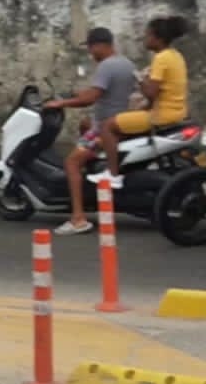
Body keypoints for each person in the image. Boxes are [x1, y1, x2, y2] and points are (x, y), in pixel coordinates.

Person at [44, 27, 137, 235]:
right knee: (84, 125)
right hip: (122, 121)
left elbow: (91, 98)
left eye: (91, 48)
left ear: (98, 45)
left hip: (105, 128)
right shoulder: (126, 63)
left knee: (71, 162)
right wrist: (77, 93)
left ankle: (78, 218)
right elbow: (102, 92)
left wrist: (62, 103)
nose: (90, 53)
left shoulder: (106, 66)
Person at [89, 16, 190, 189]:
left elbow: (151, 93)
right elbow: (162, 94)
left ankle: (113, 174)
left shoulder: (161, 58)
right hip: (175, 112)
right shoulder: (176, 56)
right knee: (123, 120)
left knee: (107, 126)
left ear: (157, 38)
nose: (145, 39)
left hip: (160, 116)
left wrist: (139, 78)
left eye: (148, 35)